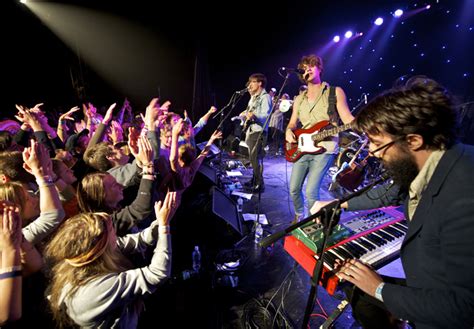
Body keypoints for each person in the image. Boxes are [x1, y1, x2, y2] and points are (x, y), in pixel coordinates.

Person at [311, 77, 474, 329]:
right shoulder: (433, 159)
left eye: (377, 144)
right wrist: (338, 204)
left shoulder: (464, 196)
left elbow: (464, 308)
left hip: (447, 307)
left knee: (367, 292)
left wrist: (379, 289)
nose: (373, 153)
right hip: (429, 281)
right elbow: (390, 194)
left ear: (413, 140)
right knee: (358, 294)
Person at [44, 192, 178, 328]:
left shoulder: (88, 256)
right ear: (100, 246)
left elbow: (139, 239)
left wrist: (163, 219)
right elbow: (157, 274)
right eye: (112, 231)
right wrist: (164, 228)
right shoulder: (93, 289)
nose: (116, 232)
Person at [285, 54, 354, 221]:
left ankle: (311, 221)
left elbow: (348, 120)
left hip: (326, 148)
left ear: (319, 68)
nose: (307, 68)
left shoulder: (334, 92)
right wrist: (288, 130)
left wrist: (364, 121)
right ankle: (299, 215)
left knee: (310, 191)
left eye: (311, 65)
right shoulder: (299, 99)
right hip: (302, 147)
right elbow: (293, 123)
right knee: (294, 188)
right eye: (304, 66)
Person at [239, 73, 272, 192]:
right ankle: (254, 180)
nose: (250, 84)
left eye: (253, 82)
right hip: (251, 131)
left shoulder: (265, 97)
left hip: (259, 132)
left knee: (255, 158)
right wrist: (244, 115)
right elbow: (249, 111)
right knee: (253, 158)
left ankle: (259, 184)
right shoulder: (253, 97)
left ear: (260, 83)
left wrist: (254, 115)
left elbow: (266, 116)